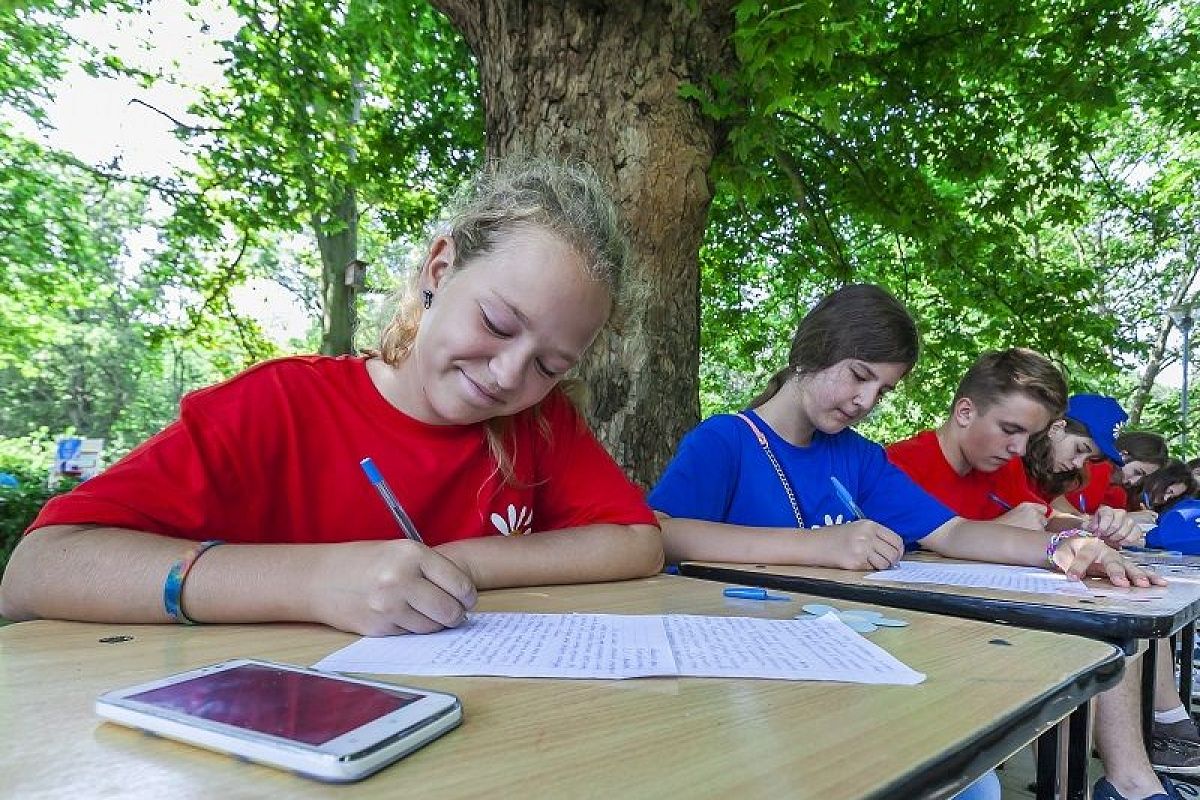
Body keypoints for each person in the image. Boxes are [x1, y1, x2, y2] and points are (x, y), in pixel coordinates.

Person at [0, 157, 663, 636]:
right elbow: (35, 570)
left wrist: (449, 563)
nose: (510, 375)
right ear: (439, 270)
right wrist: (317, 582)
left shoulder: (538, 426)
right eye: (495, 323)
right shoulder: (279, 406)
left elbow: (637, 542)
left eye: (551, 363)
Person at [887, 349, 1196, 797]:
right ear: (965, 411)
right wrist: (1005, 531)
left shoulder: (1006, 466)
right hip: (935, 632)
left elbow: (1047, 518)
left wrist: (1092, 531)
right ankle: (1120, 779)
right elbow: (912, 553)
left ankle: (1127, 780)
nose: (1017, 448)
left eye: (1027, 436)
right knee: (1083, 631)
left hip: (1000, 615)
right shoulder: (901, 463)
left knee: (1111, 602)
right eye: (1010, 430)